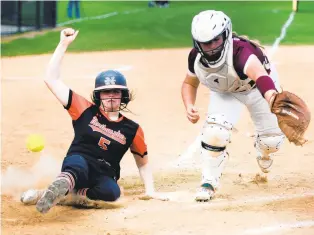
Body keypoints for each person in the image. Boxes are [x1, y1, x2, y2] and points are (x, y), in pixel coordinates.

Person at [21, 28, 167, 213]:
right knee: (77, 167)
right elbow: (51, 79)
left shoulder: (132, 129)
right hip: (78, 161)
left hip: (104, 173)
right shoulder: (84, 109)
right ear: (99, 95)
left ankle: (57, 195)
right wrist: (63, 44)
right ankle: (58, 188)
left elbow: (142, 162)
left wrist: (150, 190)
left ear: (123, 96)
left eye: (116, 91)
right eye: (107, 92)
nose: (111, 96)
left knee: (112, 192)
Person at [181, 10, 286, 202]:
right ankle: (208, 182)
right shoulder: (195, 57)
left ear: (226, 35)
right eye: (205, 43)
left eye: (215, 40)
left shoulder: (241, 52)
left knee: (272, 142)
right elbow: (189, 82)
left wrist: (272, 96)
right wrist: (189, 105)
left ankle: (263, 152)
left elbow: (260, 76)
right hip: (225, 92)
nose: (211, 47)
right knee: (215, 132)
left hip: (255, 88)